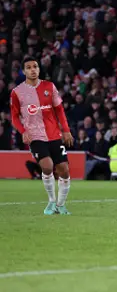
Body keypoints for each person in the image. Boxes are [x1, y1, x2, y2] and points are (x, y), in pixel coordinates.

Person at [10, 56, 74, 215]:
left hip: (54, 134)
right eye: (29, 67)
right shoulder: (17, 92)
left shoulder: (49, 86)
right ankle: (51, 202)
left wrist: (66, 130)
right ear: (24, 71)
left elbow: (59, 109)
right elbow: (14, 117)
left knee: (64, 170)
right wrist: (23, 131)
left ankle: (61, 205)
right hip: (35, 135)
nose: (33, 70)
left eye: (35, 67)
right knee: (47, 166)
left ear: (39, 69)